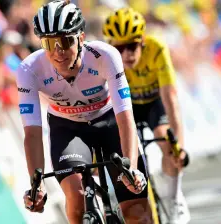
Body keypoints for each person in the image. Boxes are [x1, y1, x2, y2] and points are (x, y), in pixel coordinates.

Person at [17, 1, 152, 223]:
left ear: (80, 38)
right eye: (49, 43)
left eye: (64, 41)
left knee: (136, 213)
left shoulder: (105, 56)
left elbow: (124, 116)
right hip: (68, 130)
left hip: (110, 123)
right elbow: (32, 133)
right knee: (77, 197)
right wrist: (37, 186)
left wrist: (132, 168)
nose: (57, 51)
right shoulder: (28, 70)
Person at [103, 7, 190, 223]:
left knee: (168, 144)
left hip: (154, 103)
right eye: (120, 48)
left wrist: (178, 146)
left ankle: (173, 196)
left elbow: (170, 99)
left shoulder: (157, 48)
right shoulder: (105, 57)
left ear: (142, 40)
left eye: (131, 46)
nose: (127, 55)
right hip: (127, 109)